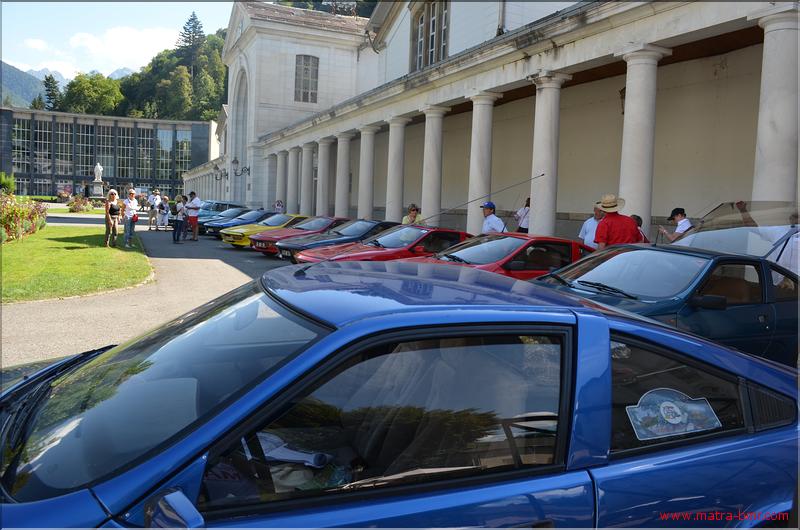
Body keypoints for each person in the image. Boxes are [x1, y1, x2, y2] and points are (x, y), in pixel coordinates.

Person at [735, 201, 798, 276]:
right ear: (790, 219)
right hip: (777, 279)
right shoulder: (778, 231)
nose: (797, 219)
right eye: (795, 216)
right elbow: (753, 228)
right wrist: (743, 211)